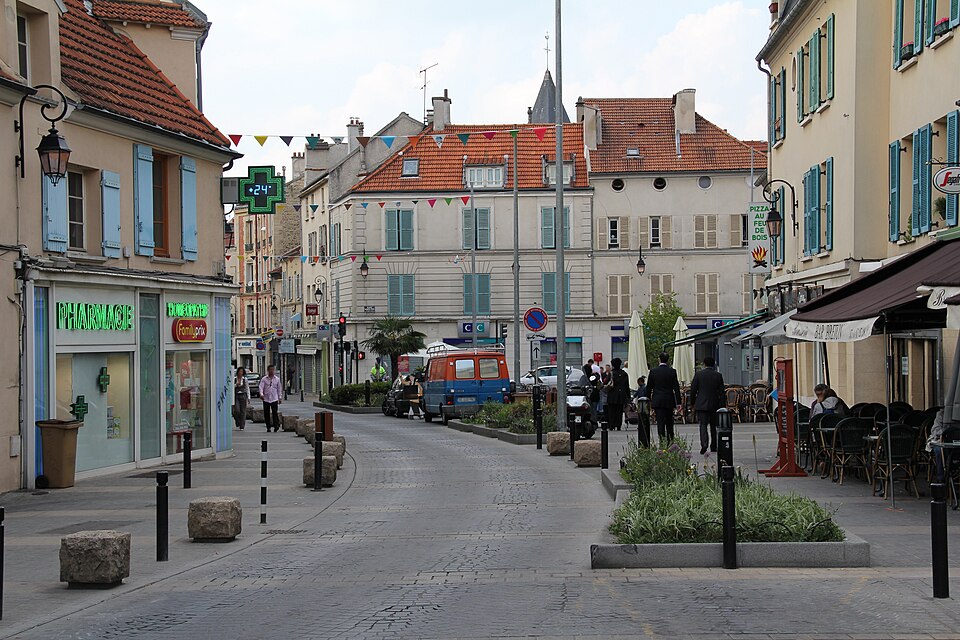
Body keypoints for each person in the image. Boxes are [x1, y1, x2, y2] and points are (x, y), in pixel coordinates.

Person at [690, 356, 725, 455]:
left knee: (703, 425)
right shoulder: (718, 375)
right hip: (714, 404)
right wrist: (722, 405)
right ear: (713, 364)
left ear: (704, 364)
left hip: (701, 404)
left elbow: (693, 390)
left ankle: (704, 445)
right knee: (714, 426)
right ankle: (714, 446)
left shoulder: (698, 375)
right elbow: (722, 392)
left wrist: (692, 403)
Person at [646, 352, 682, 442]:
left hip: (658, 400)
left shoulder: (653, 371)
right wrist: (679, 402)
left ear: (659, 359)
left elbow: (649, 387)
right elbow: (676, 388)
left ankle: (662, 442)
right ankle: (670, 442)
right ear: (668, 360)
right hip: (669, 400)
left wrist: (647, 400)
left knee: (660, 423)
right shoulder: (672, 371)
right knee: (669, 422)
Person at [605, 358, 631, 431]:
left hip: (612, 395)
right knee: (619, 411)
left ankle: (611, 425)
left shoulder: (611, 373)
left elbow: (606, 382)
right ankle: (618, 425)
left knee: (611, 411)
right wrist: (628, 397)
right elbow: (627, 386)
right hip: (621, 395)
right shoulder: (624, 374)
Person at [258, 364, 283, 433]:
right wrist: (261, 394)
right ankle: (268, 427)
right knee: (266, 413)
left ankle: (276, 426)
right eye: (270, 370)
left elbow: (279, 389)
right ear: (268, 370)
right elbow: (261, 387)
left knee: (275, 413)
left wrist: (280, 397)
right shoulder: (264, 379)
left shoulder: (277, 379)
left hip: (274, 398)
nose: (271, 371)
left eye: (273, 370)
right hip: (266, 398)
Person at [233, 366, 250, 431]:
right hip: (236, 395)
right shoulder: (234, 379)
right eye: (239, 371)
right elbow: (232, 387)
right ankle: (238, 422)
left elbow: (247, 388)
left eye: (242, 372)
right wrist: (236, 384)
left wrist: (248, 398)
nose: (240, 373)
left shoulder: (245, 379)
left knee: (243, 411)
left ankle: (242, 425)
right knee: (237, 410)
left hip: (243, 395)